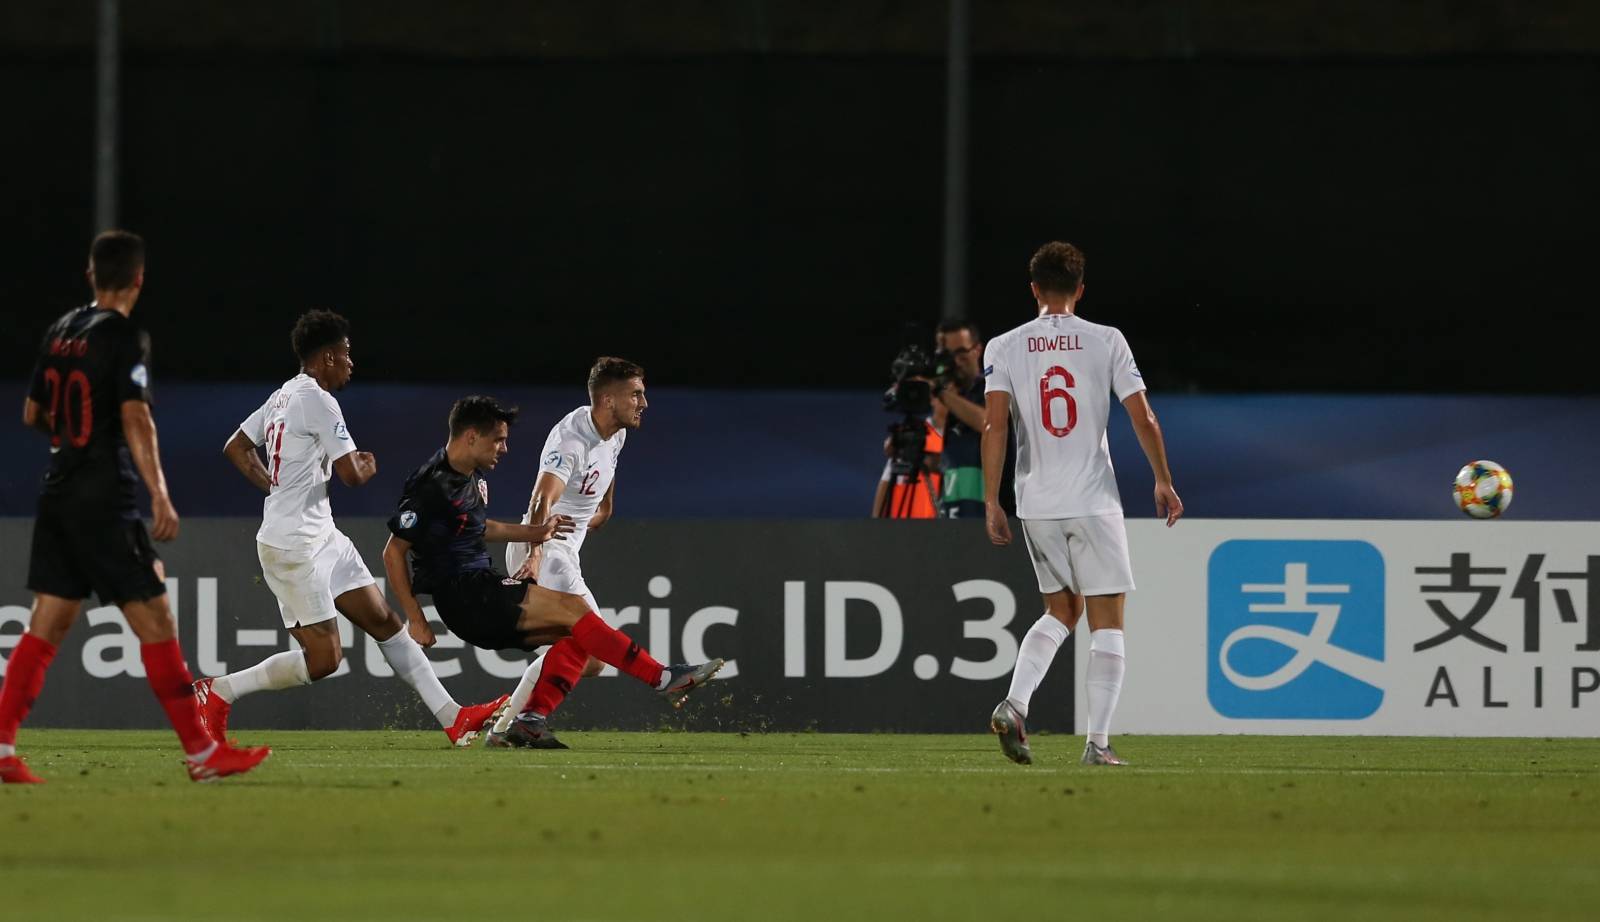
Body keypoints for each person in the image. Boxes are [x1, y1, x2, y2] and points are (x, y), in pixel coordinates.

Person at [1, 231, 270, 784]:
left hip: (57, 492)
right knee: (155, 617)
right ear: (139, 279)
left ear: (90, 274)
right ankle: (201, 753)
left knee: (46, 624)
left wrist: (73, 440)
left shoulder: (60, 330)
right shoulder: (124, 337)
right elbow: (135, 418)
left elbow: (32, 413)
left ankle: (1, 749)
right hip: (103, 498)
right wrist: (160, 493)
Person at [193, 311, 509, 747]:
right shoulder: (319, 401)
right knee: (324, 660)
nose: (350, 362)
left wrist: (276, 488)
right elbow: (352, 475)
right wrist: (363, 465)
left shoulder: (283, 396)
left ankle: (453, 717)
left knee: (384, 621)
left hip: (324, 537)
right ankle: (218, 691)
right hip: (294, 546)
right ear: (325, 358)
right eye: (344, 354)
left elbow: (237, 447)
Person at [382, 395, 723, 749]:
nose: (505, 448)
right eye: (498, 439)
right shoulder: (430, 485)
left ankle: (528, 722)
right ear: (471, 436)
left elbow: (482, 529)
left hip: (481, 587)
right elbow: (393, 551)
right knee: (577, 612)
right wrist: (415, 617)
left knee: (580, 640)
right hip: (467, 596)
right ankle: (662, 677)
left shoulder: (470, 478)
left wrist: (536, 532)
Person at [982, 241, 1183, 767]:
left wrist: (990, 500)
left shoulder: (1003, 346)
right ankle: (1097, 743)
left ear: (1033, 289)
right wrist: (1162, 479)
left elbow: (994, 425)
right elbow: (1144, 417)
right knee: (1108, 620)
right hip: (1093, 499)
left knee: (1059, 610)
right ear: (1080, 289)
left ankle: (1015, 703)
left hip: (1035, 502)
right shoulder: (1106, 340)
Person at [494, 358, 723, 749]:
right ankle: (663, 677)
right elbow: (540, 500)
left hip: (565, 551)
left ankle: (513, 726)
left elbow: (607, 471)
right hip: (545, 549)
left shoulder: (615, 434)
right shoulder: (571, 438)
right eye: (636, 394)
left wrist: (603, 509)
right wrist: (534, 555)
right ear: (607, 399)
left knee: (591, 658)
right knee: (590, 633)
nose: (644, 402)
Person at [928, 320, 987, 519]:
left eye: (961, 354)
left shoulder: (994, 388)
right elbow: (941, 462)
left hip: (992, 519)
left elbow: (987, 423)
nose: (954, 363)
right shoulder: (946, 398)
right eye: (947, 356)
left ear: (977, 350)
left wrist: (942, 394)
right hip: (952, 515)